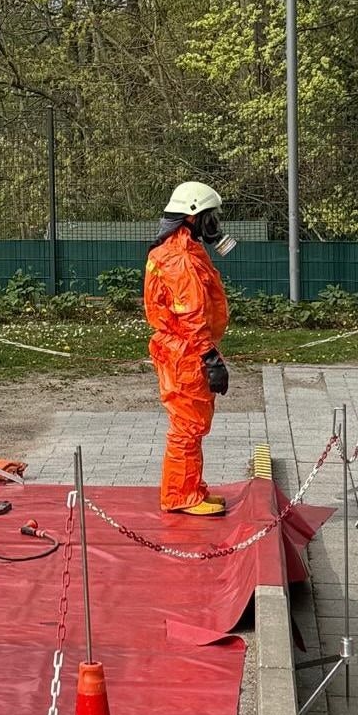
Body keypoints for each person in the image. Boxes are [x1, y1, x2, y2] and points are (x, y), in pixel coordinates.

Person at [143, 181, 235, 517]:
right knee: (187, 426)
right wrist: (210, 358)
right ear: (195, 215)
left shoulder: (180, 249)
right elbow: (191, 313)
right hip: (187, 352)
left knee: (192, 424)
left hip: (185, 348)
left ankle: (191, 488)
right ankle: (181, 496)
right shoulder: (179, 257)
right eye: (211, 217)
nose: (215, 224)